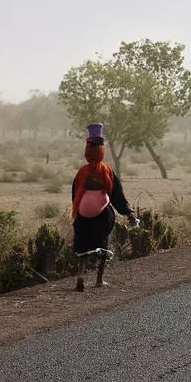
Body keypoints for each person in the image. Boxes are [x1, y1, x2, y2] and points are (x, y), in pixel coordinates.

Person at [71, 122, 138, 291]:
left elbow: (74, 194)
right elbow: (117, 195)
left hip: (83, 215)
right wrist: (128, 212)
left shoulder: (82, 172)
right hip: (101, 215)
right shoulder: (106, 170)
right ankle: (99, 280)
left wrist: (78, 212)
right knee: (103, 242)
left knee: (84, 245)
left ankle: (80, 276)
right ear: (102, 151)